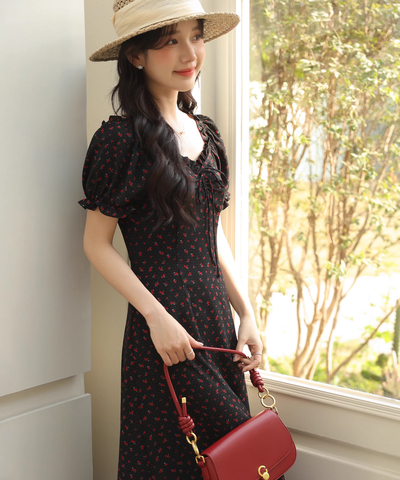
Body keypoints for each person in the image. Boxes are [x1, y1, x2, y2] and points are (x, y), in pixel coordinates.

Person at [80, 1, 263, 478]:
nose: (190, 53)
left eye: (196, 36)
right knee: (174, 463)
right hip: (164, 333)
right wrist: (156, 318)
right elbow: (96, 244)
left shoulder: (207, 133)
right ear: (136, 56)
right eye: (170, 41)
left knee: (236, 461)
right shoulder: (120, 141)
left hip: (216, 325)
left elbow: (211, 232)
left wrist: (246, 312)